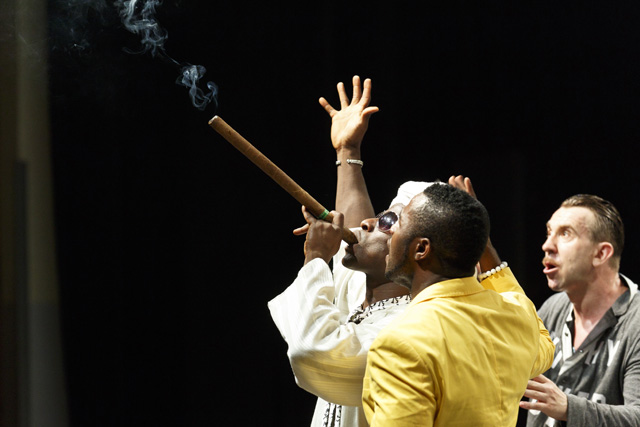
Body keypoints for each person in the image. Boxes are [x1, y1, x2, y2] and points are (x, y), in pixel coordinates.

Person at [268, 75, 433, 427]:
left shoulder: (408, 329)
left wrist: (315, 259)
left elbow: (312, 348)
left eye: (389, 220)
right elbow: (356, 225)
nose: (368, 223)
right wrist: (348, 152)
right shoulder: (368, 294)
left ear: (419, 251)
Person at [361, 182, 555, 426]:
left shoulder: (400, 343)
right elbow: (544, 343)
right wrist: (483, 244)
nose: (390, 231)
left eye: (399, 223)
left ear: (421, 248)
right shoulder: (517, 316)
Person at [521, 194, 640, 426]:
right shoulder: (553, 308)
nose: (547, 245)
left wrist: (569, 408)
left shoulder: (635, 323)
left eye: (565, 233)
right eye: (549, 232)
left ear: (600, 254)